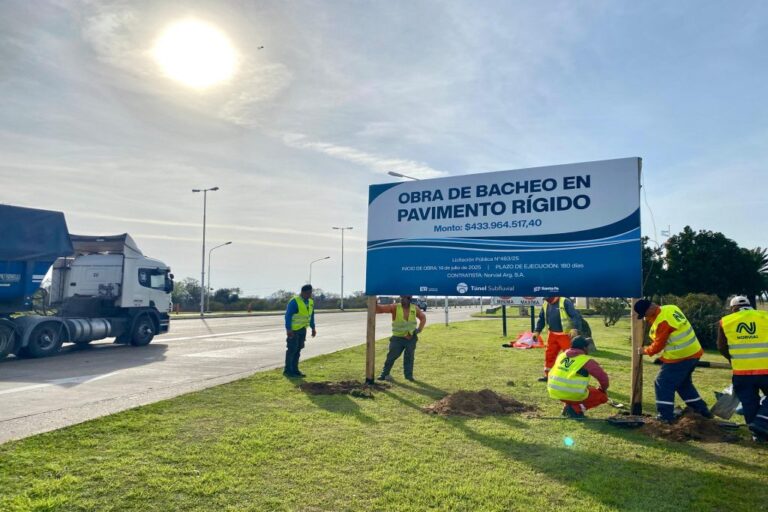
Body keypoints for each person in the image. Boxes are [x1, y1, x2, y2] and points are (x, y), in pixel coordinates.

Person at [634, 299, 712, 423]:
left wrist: (645, 350)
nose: (645, 317)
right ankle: (702, 411)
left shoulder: (662, 322)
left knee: (662, 383)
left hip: (679, 356)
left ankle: (665, 416)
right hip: (694, 352)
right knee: (683, 384)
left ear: (650, 309)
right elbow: (663, 323)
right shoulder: (671, 308)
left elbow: (658, 345)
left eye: (645, 314)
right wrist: (649, 319)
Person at [717, 295, 768, 442]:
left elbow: (721, 346)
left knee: (749, 401)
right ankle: (762, 422)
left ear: (733, 309)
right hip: (766, 369)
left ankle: (757, 435)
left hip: (742, 372)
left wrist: (733, 360)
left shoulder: (725, 321)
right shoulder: (765, 316)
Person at [547, 336, 610, 418]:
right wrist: (603, 389)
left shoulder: (562, 355)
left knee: (583, 389)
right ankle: (576, 409)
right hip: (571, 393)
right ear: (584, 348)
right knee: (602, 397)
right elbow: (603, 378)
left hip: (554, 391)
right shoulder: (586, 360)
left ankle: (568, 406)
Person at [377, 295, 427, 382]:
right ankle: (384, 374)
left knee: (409, 357)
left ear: (410, 299)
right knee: (391, 356)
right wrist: (374, 301)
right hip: (397, 339)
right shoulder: (395, 307)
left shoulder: (414, 308)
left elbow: (423, 318)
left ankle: (408, 376)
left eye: (406, 298)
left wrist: (419, 329)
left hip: (411, 338)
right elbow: (379, 310)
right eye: (402, 297)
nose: (404, 299)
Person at [533, 296, 583, 382]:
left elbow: (575, 316)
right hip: (552, 335)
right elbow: (541, 318)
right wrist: (537, 331)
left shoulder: (565, 302)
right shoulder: (545, 303)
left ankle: (573, 376)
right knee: (549, 355)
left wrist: (575, 328)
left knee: (571, 357)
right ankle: (548, 376)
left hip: (566, 335)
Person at [283, 284, 316, 378]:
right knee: (292, 349)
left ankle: (295, 370)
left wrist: (313, 328)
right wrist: (288, 329)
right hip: (293, 330)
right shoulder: (294, 301)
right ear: (303, 292)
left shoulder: (310, 302)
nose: (310, 295)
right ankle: (288, 371)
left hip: (302, 329)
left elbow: (311, 316)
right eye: (308, 293)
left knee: (298, 349)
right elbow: (288, 316)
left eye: (311, 293)